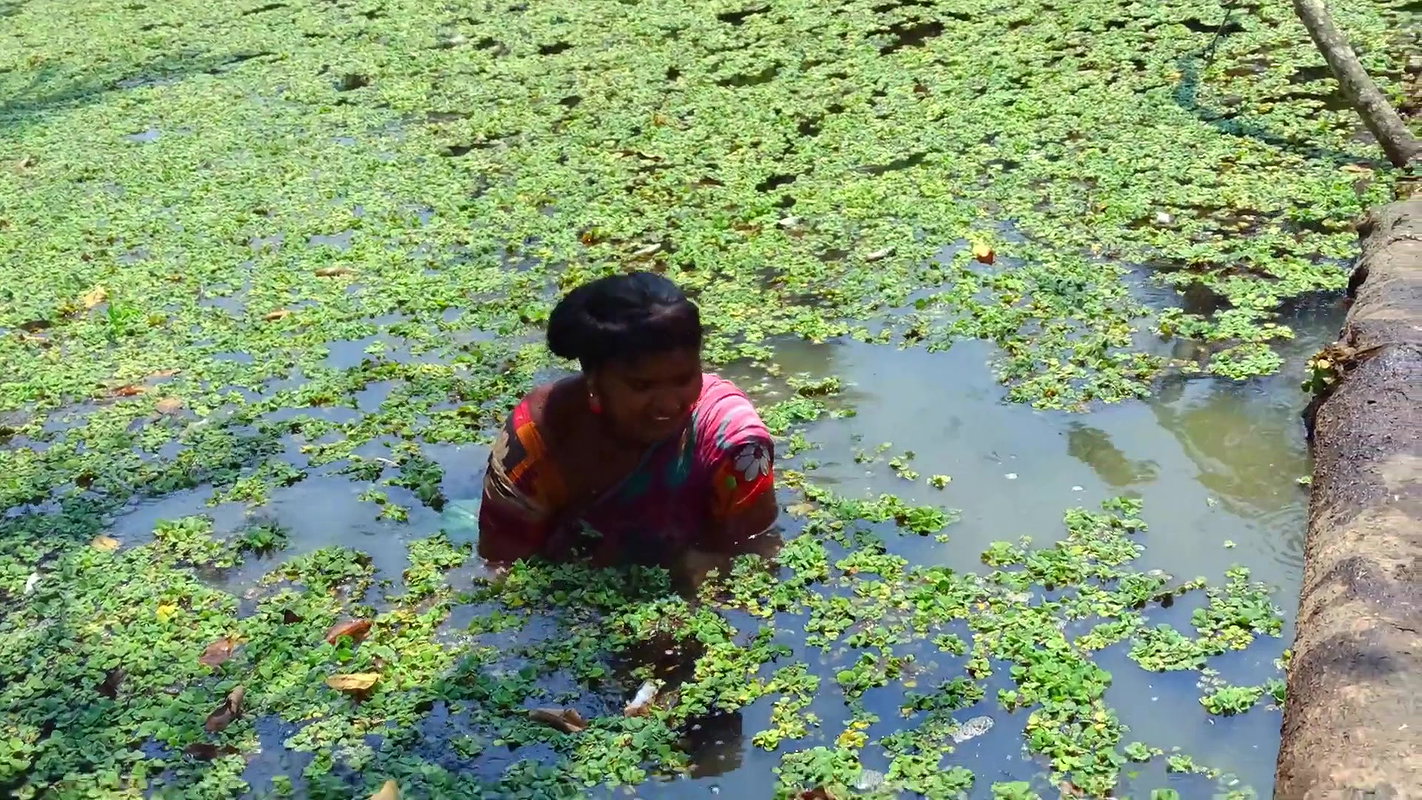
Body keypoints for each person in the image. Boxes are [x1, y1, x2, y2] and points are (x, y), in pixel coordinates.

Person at [477, 271, 779, 578]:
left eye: (683, 379)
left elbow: (751, 553)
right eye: (641, 386)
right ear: (594, 380)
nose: (668, 403)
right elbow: (502, 561)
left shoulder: (736, 444)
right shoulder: (540, 434)